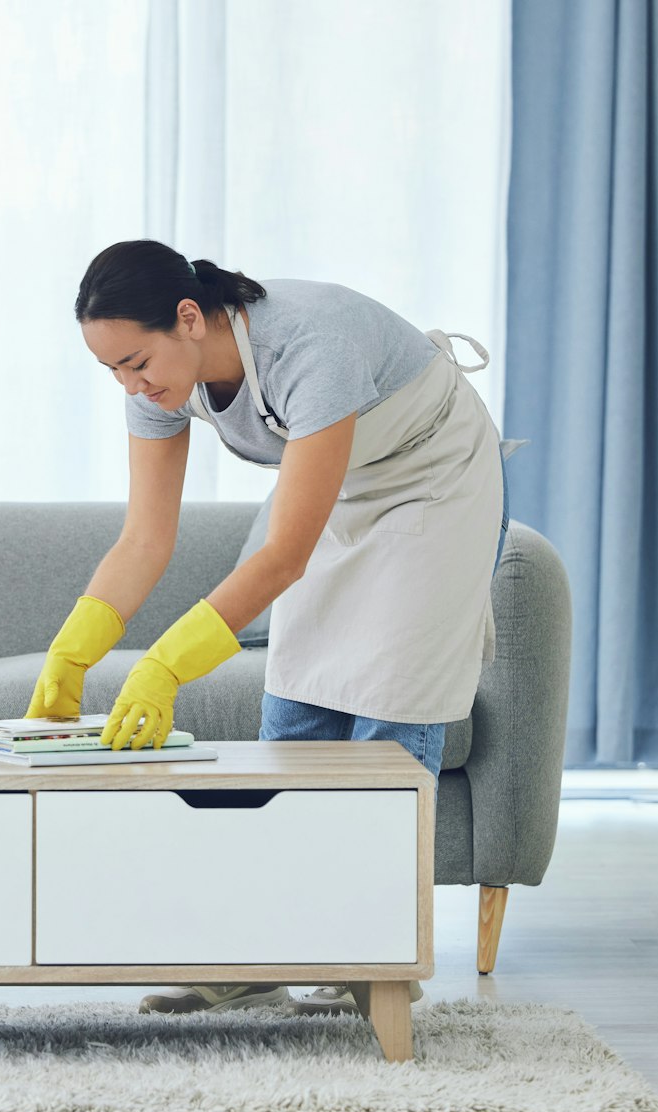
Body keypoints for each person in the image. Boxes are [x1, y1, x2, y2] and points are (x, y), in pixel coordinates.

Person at [27, 239, 510, 1017]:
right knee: (295, 713)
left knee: (390, 722)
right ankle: (253, 953)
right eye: (111, 369)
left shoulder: (311, 347)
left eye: (136, 361)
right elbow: (146, 538)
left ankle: (374, 955)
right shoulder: (156, 383)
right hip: (341, 489)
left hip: (433, 483)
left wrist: (168, 667)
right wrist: (73, 650)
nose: (132, 385)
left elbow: (284, 555)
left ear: (189, 318)